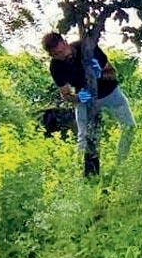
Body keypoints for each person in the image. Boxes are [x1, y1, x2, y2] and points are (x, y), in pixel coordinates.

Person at [42, 32, 136, 164]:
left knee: (129, 127)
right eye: (56, 55)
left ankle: (120, 164)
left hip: (110, 92)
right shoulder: (56, 66)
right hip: (86, 99)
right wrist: (77, 98)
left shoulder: (87, 47)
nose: (62, 56)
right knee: (83, 137)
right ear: (51, 55)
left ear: (65, 42)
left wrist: (99, 74)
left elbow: (113, 74)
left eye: (62, 51)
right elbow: (66, 95)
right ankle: (82, 173)